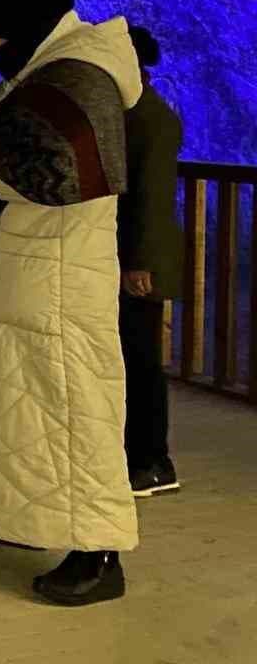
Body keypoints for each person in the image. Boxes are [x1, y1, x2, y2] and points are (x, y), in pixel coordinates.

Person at [0, 0, 139, 606]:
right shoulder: (44, 73)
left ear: (25, 31)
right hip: (29, 272)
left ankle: (97, 552)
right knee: (20, 409)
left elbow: (61, 175)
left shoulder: (77, 77)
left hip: (57, 281)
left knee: (75, 414)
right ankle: (5, 515)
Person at [117, 26, 183, 498]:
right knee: (127, 358)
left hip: (139, 263)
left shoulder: (151, 119)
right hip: (127, 255)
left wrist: (139, 262)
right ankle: (135, 453)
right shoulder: (133, 114)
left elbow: (153, 198)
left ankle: (153, 460)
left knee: (140, 361)